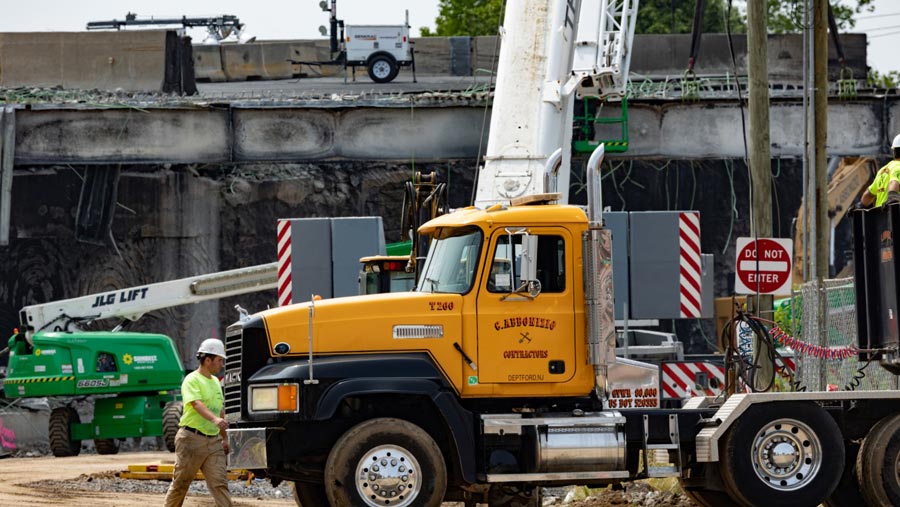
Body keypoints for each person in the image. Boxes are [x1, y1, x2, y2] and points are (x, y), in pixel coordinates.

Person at [164, 338, 233, 507]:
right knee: (181, 484)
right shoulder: (191, 380)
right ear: (207, 360)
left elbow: (219, 410)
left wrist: (224, 438)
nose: (221, 364)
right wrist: (215, 420)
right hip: (191, 440)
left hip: (213, 441)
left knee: (220, 484)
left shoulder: (216, 382)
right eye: (219, 360)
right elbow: (196, 404)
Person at [860, 134, 900, 208]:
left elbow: (869, 194)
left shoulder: (882, 170)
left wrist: (860, 205)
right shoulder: (898, 167)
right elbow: (894, 182)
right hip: (895, 216)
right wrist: (892, 197)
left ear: (894, 152)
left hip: (882, 217)